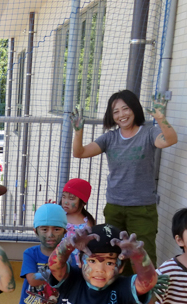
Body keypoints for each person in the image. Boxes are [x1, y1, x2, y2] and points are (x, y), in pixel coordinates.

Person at [71, 91, 178, 270]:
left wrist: (160, 117)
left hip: (143, 207)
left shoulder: (149, 133)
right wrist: (78, 131)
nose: (121, 115)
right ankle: (118, 294)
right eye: (116, 111)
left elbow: (170, 140)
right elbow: (79, 153)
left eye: (125, 109)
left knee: (144, 253)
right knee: (113, 251)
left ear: (134, 109)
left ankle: (144, 296)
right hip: (115, 206)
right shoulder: (110, 138)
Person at [60, 178, 95, 266]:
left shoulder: (87, 223)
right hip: (59, 259)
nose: (66, 202)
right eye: (63, 197)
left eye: (71, 198)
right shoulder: (59, 216)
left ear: (83, 202)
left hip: (78, 263)